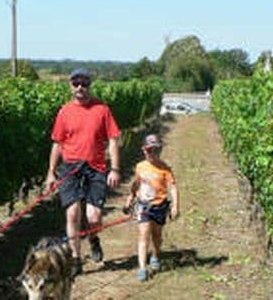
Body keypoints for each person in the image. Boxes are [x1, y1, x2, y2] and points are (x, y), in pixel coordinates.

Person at [46, 68, 121, 275]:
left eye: (84, 83)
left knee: (94, 216)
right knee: (72, 214)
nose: (80, 87)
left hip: (96, 168)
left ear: (90, 85)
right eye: (76, 83)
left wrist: (114, 169)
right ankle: (76, 259)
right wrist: (51, 173)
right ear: (71, 86)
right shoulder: (64, 111)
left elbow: (113, 140)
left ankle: (94, 238)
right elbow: (57, 144)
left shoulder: (102, 110)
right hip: (70, 168)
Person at [123, 134, 179, 281]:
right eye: (149, 150)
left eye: (156, 151)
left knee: (157, 235)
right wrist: (130, 199)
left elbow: (172, 187)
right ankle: (142, 267)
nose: (153, 154)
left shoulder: (165, 168)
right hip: (143, 206)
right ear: (144, 150)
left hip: (160, 206)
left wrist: (175, 206)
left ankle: (155, 255)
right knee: (143, 234)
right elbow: (136, 185)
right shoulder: (140, 167)